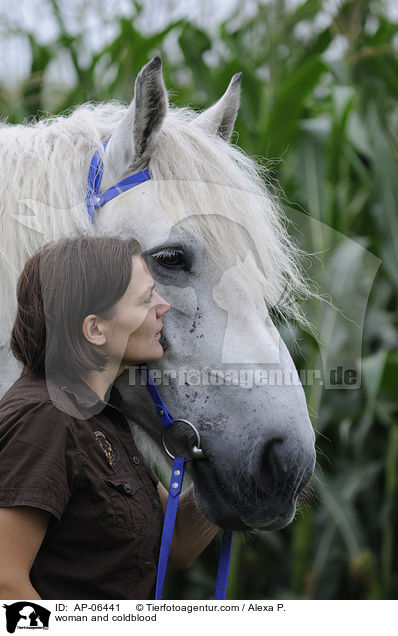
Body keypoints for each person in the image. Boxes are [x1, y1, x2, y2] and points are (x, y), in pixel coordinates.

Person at [0, 236, 218, 600]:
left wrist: (233, 474)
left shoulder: (98, 416)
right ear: (95, 330)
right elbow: (6, 583)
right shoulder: (46, 419)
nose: (163, 306)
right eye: (146, 298)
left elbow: (176, 541)